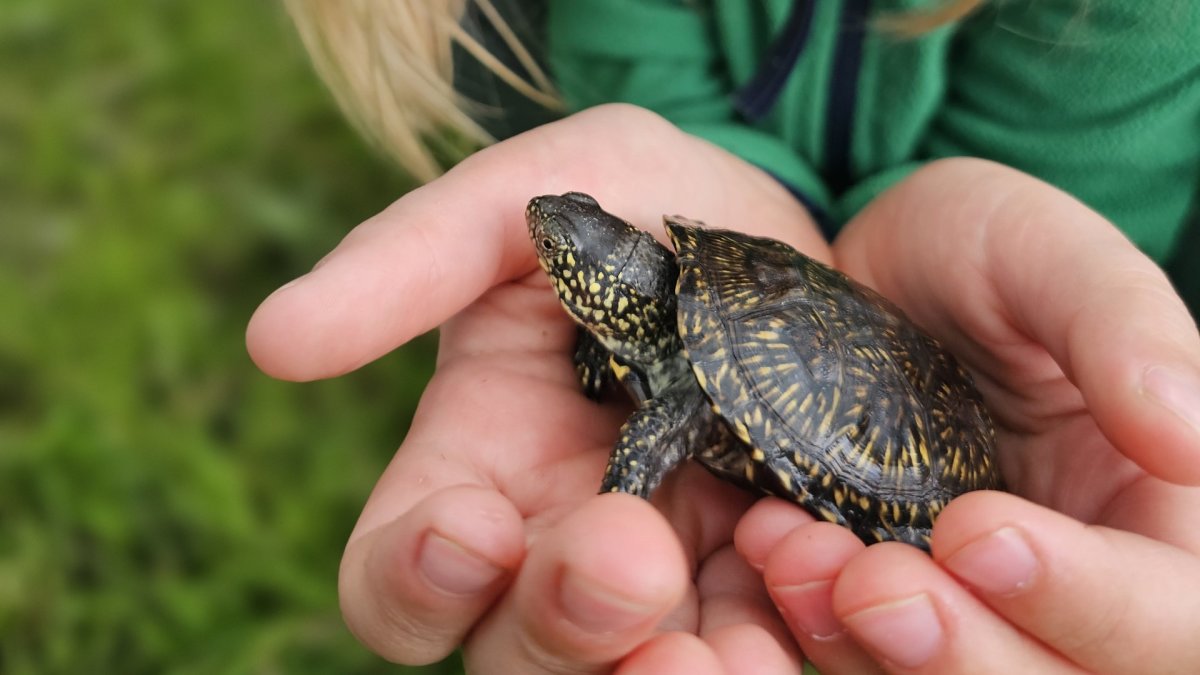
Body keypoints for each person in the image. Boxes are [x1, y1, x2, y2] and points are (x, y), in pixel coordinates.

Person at [251, 1, 1200, 672]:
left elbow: (670, 414)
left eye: (563, 244)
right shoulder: (667, 296)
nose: (553, 235)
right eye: (561, 235)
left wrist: (619, 490)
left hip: (915, 472)